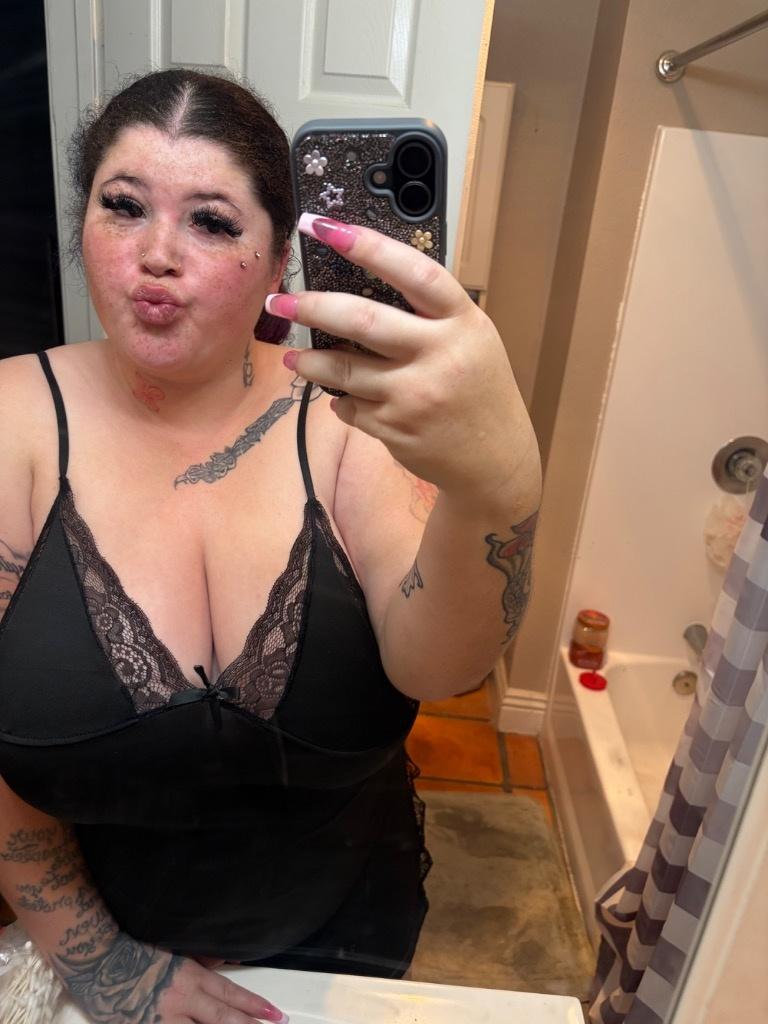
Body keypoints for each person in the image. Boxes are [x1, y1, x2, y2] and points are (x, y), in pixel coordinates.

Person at [0, 68, 541, 1024]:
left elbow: (441, 665)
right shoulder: (11, 423)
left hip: (348, 938)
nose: (156, 254)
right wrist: (108, 967)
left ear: (279, 260)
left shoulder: (351, 419)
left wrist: (495, 486)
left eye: (211, 222)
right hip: (104, 942)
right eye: (123, 206)